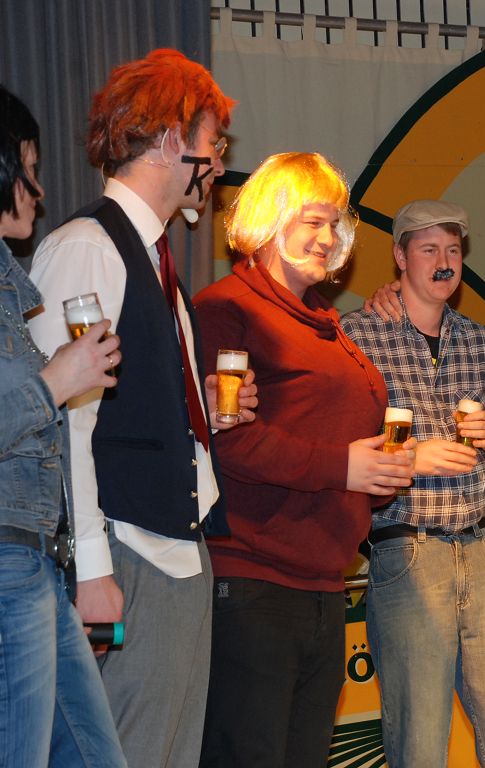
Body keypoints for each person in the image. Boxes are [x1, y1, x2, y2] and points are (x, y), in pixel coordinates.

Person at [27, 50, 257, 768]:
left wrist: (198, 416)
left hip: (172, 552)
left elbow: (127, 401)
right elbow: (61, 422)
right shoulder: (87, 247)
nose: (218, 164)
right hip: (127, 557)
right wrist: (93, 571)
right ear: (169, 142)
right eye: (213, 143)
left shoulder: (155, 261)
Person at [193, 152, 416, 767]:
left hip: (323, 583)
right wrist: (344, 467)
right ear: (270, 220)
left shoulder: (328, 322)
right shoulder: (226, 309)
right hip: (253, 582)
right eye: (313, 221)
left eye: (334, 224)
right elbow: (228, 441)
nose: (328, 237)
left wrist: (379, 474)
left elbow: (338, 436)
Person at [341, 200, 485, 767]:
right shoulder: (357, 336)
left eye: (453, 250)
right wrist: (411, 457)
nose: (445, 262)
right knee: (420, 742)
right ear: (400, 257)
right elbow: (340, 446)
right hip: (407, 551)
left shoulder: (481, 342)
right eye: (429, 250)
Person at [0, 84, 126, 768]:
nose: (40, 191)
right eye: (28, 169)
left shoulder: (10, 285)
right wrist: (55, 383)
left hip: (36, 562)